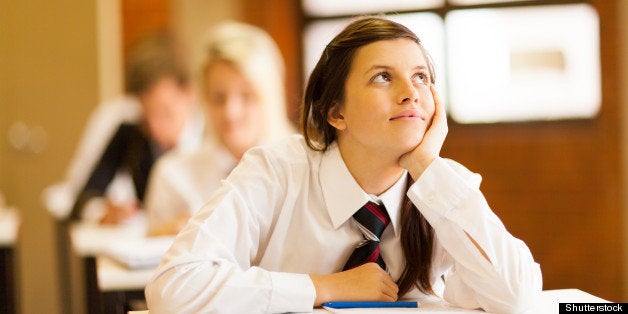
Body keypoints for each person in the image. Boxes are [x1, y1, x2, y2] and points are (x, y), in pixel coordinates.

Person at [145, 17, 542, 313]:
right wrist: (324, 288)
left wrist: (426, 164)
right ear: (336, 112)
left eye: (420, 77)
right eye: (383, 77)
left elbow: (521, 301)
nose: (411, 94)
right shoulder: (276, 170)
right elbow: (172, 288)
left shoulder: (442, 188)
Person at [144, 21, 294, 236]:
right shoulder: (172, 175)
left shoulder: (306, 170)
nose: (230, 113)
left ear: (270, 97)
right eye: (218, 98)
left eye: (247, 96)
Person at [69, 31, 205, 224]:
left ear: (189, 93)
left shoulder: (214, 139)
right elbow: (84, 199)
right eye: (146, 115)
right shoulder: (132, 134)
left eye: (165, 113)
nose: (155, 128)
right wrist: (103, 212)